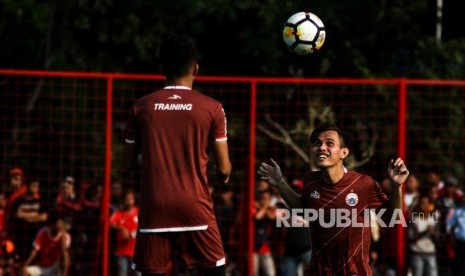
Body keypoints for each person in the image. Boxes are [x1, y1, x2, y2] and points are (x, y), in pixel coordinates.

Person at [123, 34, 231, 276]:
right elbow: (224, 170)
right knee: (214, 268)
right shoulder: (212, 107)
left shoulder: (141, 106)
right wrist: (216, 178)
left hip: (154, 206)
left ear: (161, 68)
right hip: (195, 204)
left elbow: (126, 164)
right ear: (196, 68)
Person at [258, 123, 409, 275]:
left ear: (344, 152)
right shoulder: (310, 181)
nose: (322, 147)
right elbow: (304, 210)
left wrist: (397, 187)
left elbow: (393, 219)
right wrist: (280, 183)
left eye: (329, 143)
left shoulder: (363, 184)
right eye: (318, 143)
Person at [110, 189, 140, 276]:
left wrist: (131, 234)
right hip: (121, 251)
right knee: (122, 274)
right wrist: (121, 229)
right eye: (127, 199)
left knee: (138, 274)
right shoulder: (119, 213)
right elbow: (110, 224)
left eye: (131, 199)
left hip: (136, 252)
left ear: (134, 200)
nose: (129, 202)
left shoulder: (139, 212)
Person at [407, 195, 438, 276]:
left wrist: (433, 233)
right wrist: (425, 232)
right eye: (421, 203)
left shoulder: (433, 220)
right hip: (417, 253)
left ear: (429, 205)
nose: (423, 206)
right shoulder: (415, 220)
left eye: (425, 203)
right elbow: (411, 237)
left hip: (430, 253)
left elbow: (438, 239)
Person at [446, 195, 465, 276]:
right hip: (461, 244)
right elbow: (451, 227)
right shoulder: (458, 211)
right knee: (460, 269)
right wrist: (452, 242)